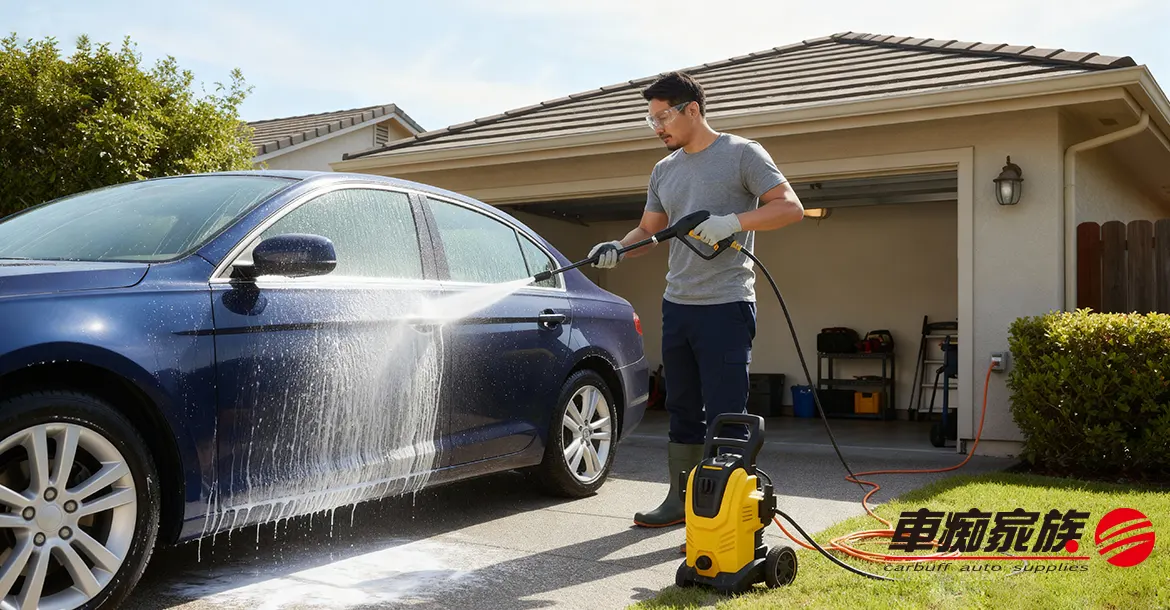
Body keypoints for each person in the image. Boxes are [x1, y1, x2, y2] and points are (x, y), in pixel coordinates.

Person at [587, 71, 805, 528]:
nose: (658, 128)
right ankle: (680, 502)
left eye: (663, 117)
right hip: (678, 304)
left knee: (726, 413)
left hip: (726, 304)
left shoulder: (742, 153)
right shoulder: (664, 170)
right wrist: (618, 249)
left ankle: (724, 516)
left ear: (692, 109)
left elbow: (789, 206)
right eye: (651, 121)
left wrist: (734, 222)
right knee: (682, 407)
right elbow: (649, 230)